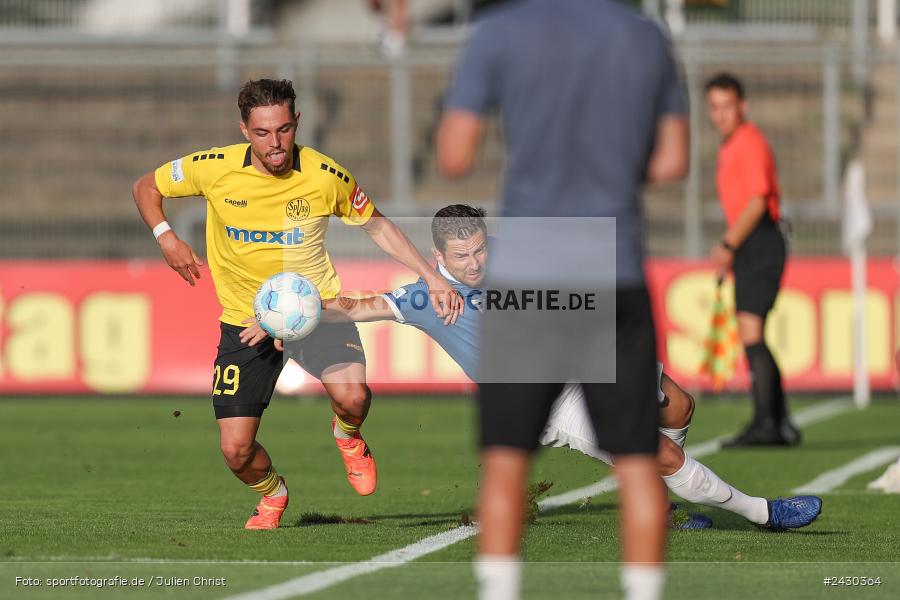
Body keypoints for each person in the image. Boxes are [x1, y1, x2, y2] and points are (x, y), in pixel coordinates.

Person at [319, 204, 823, 533]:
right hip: (548, 403)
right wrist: (298, 316)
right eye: (461, 256)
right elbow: (359, 307)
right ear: (438, 256)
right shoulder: (424, 298)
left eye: (480, 249)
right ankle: (763, 513)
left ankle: (662, 501)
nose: (475, 263)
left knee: (680, 406)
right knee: (661, 452)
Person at [436, 1, 689, 598]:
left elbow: (454, 156)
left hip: (529, 275)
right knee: (635, 462)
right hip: (613, 267)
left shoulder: (497, 32)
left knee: (506, 461)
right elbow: (672, 160)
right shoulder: (644, 35)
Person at [132, 78, 462, 530]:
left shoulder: (326, 176)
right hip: (246, 323)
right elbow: (145, 187)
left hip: (316, 311)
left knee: (353, 398)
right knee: (235, 450)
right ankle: (273, 494)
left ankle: (347, 436)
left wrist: (430, 276)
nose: (276, 143)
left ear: (297, 122)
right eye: (263, 132)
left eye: (284, 130)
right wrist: (165, 236)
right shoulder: (212, 168)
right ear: (244, 129)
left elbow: (379, 226)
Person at [705, 73, 799, 447]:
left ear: (742, 106)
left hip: (759, 240)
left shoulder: (749, 143)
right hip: (751, 243)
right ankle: (779, 421)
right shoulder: (731, 146)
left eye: (727, 106)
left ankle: (767, 424)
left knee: (752, 333)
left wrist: (728, 245)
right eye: (714, 107)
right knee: (753, 334)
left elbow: (758, 202)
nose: (721, 114)